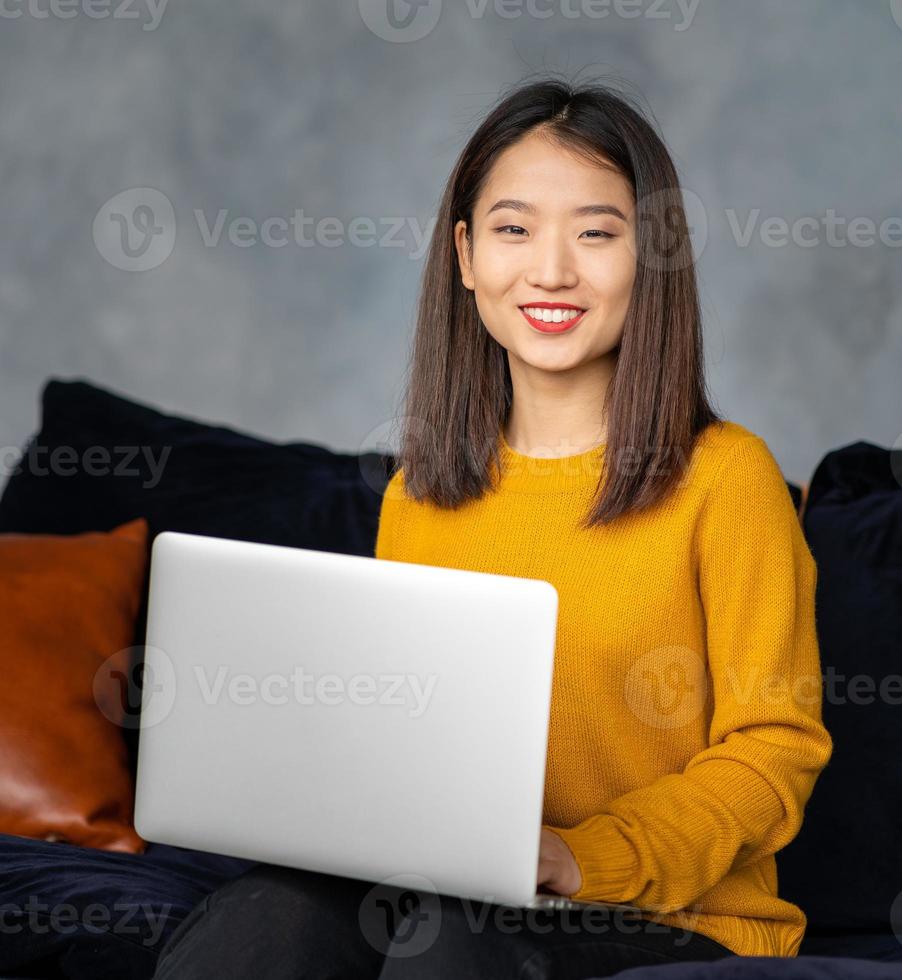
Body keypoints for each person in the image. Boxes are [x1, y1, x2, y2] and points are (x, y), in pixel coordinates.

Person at [153, 73, 833, 979]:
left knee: (448, 945)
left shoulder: (727, 478)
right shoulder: (420, 494)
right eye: (514, 230)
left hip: (674, 920)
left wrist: (583, 856)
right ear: (467, 256)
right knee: (261, 920)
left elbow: (774, 749)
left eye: (596, 233)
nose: (551, 271)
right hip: (447, 893)